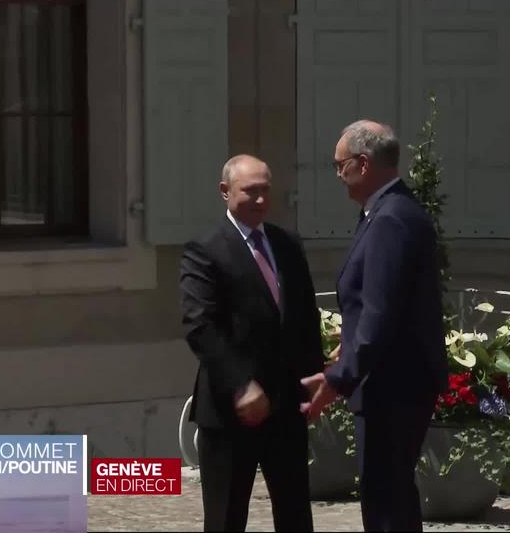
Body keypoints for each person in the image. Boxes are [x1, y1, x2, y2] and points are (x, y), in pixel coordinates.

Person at [301, 121, 448, 531]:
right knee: (391, 496)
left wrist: (339, 378)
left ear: (362, 165)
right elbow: (380, 307)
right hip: (395, 380)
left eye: (339, 164)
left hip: (393, 385)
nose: (337, 174)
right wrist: (346, 348)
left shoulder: (390, 220)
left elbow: (380, 313)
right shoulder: (389, 211)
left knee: (386, 503)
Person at [180, 154, 323, 532]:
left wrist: (317, 380)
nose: (260, 200)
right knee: (227, 518)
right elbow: (200, 326)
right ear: (225, 192)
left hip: (287, 407)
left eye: (266, 191)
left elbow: (304, 319)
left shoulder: (287, 243)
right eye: (250, 191)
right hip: (231, 411)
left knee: (295, 516)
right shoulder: (206, 248)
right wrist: (241, 385)